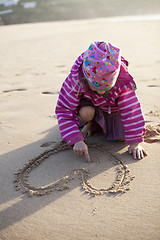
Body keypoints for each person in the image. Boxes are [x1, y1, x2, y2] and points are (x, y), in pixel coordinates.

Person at [55, 41, 147, 162]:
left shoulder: (122, 82)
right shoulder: (75, 81)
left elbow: (131, 110)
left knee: (121, 138)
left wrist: (135, 142)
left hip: (112, 109)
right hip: (90, 105)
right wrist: (76, 140)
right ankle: (90, 123)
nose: (102, 92)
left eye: (106, 89)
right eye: (97, 88)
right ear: (86, 79)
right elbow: (64, 109)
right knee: (86, 113)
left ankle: (99, 125)